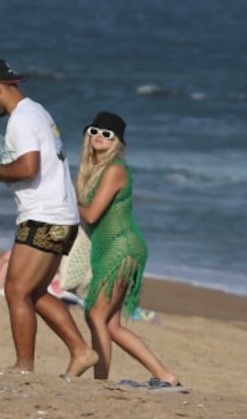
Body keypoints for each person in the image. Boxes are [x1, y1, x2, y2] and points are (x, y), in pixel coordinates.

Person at [0, 59, 98, 377]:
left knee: (16, 291)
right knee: (37, 293)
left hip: (45, 216)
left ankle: (24, 365)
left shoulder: (21, 120)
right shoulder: (38, 111)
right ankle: (81, 351)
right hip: (62, 216)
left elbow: (29, 168)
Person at [75, 112, 184, 390]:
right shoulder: (94, 170)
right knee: (110, 324)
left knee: (96, 316)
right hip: (112, 247)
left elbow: (91, 214)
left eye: (107, 134)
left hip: (121, 247)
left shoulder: (114, 169)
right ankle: (165, 374)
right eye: (94, 131)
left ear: (118, 142)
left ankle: (100, 382)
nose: (99, 136)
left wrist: (63, 200)